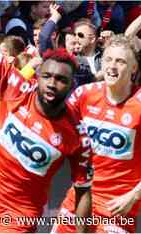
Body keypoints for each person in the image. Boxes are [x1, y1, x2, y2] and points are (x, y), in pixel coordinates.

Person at [0, 5, 92, 233]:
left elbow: (83, 190)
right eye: (47, 76)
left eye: (61, 79)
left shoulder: (77, 133)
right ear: (38, 76)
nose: (52, 83)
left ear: (71, 85)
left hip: (16, 217)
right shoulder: (16, 87)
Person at [53, 35, 141, 233]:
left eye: (120, 61)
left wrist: (134, 196)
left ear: (134, 68)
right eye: (108, 59)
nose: (112, 66)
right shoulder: (85, 94)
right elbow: (54, 121)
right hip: (79, 198)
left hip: (116, 208)